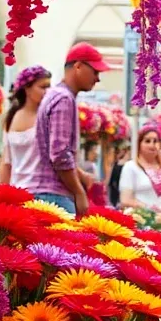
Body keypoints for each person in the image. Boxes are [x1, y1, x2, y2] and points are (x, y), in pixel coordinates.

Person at [32, 43, 108, 216]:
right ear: (78, 66)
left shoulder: (55, 95)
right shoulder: (64, 99)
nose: (97, 79)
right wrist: (79, 192)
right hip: (54, 196)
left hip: (46, 194)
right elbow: (59, 154)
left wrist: (80, 174)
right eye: (95, 72)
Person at [0, 65, 52, 189]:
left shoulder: (49, 117)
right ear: (27, 89)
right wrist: (2, 192)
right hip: (18, 189)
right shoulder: (10, 118)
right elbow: (6, 162)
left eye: (49, 87)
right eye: (43, 87)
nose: (47, 92)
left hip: (43, 190)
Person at [119, 125, 161, 212]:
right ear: (139, 144)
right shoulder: (131, 167)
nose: (152, 145)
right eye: (147, 141)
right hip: (142, 217)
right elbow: (125, 200)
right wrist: (149, 208)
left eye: (155, 141)